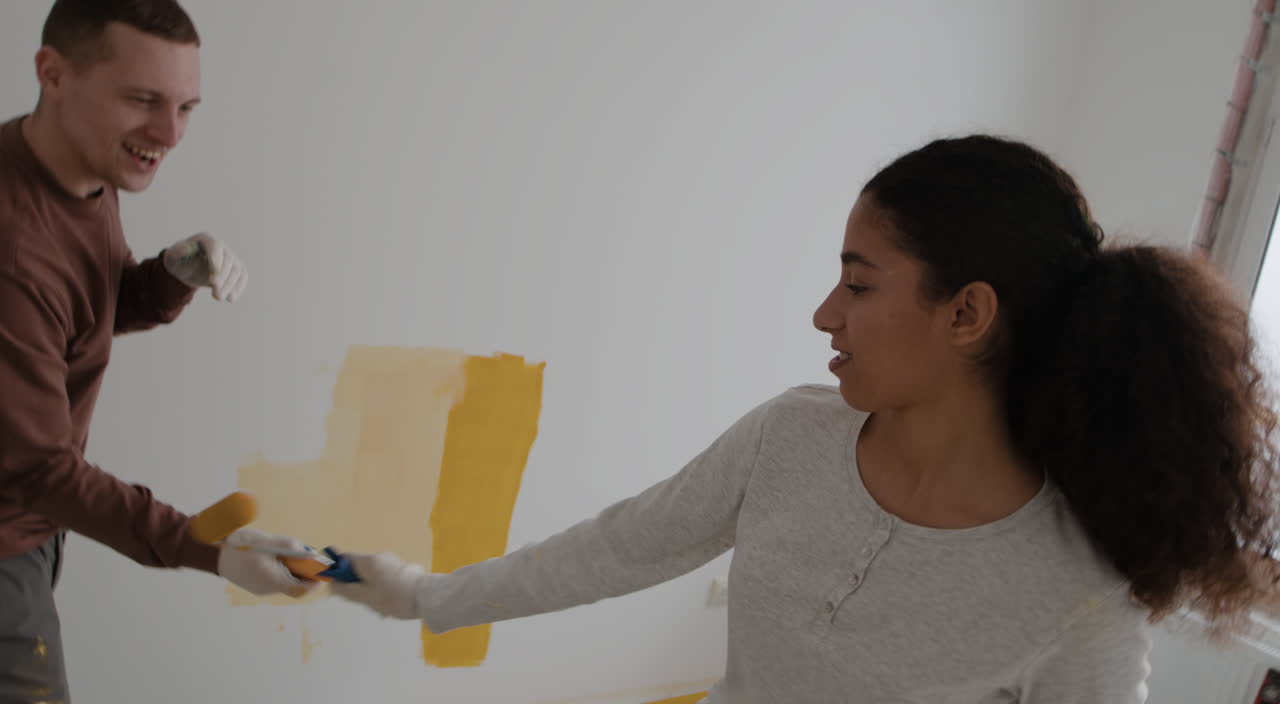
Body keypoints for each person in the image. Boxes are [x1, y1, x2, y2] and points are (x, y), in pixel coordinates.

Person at [329, 135, 1280, 702]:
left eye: (858, 284)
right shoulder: (791, 436)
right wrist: (424, 595)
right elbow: (621, 546)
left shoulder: (1081, 606)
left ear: (966, 314)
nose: (825, 314)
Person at [0, 0, 317, 700]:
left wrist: (167, 278)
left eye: (186, 107)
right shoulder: (11, 249)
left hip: (31, 525)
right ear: (53, 73)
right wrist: (204, 548)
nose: (170, 134)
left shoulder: (75, 167)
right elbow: (41, 469)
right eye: (143, 101)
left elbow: (74, 312)